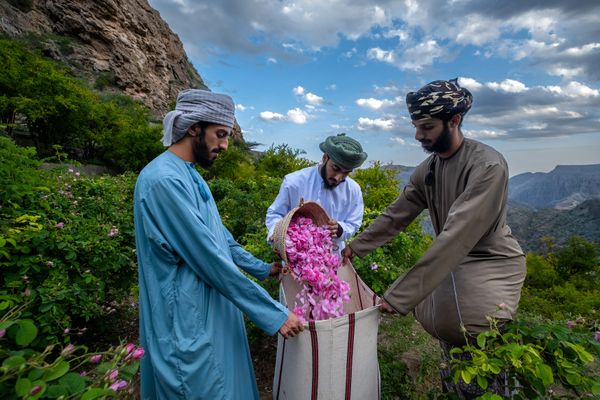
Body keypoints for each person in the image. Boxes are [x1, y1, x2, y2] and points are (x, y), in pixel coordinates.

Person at [342, 79, 526, 398]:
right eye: (416, 126)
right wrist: (354, 249)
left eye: (426, 126)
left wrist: (399, 296)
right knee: (453, 370)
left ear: (453, 121)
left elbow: (456, 236)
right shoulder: (430, 167)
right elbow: (397, 214)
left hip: (487, 264)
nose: (418, 135)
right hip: (450, 272)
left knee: (482, 377)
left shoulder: (487, 165)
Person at [134, 89, 304, 400]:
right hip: (187, 319)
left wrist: (263, 269)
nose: (224, 145)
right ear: (193, 128)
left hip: (209, 308)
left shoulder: (189, 175)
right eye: (220, 134)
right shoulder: (163, 181)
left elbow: (220, 237)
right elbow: (209, 257)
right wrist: (273, 313)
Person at [266, 133, 367, 251]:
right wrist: (277, 236)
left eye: (346, 172)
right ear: (325, 157)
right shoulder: (294, 182)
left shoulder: (353, 190)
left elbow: (353, 223)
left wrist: (340, 229)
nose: (338, 177)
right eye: (335, 168)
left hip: (332, 256)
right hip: (294, 253)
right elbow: (275, 213)